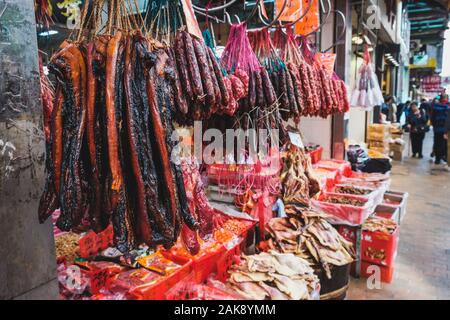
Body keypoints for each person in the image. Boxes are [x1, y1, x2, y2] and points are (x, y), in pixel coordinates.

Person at [431, 94, 450, 169]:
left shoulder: (435, 107)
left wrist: (434, 125)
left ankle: (437, 159)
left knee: (437, 142)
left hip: (437, 128)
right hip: (446, 129)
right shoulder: (448, 106)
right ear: (447, 98)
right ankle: (444, 157)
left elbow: (432, 117)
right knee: (445, 144)